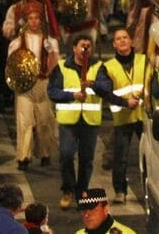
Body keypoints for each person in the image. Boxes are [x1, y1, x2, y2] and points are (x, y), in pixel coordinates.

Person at [48, 35, 102, 209]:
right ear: (74, 48)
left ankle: (82, 191)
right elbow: (53, 91)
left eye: (88, 46)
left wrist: (92, 84)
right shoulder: (62, 67)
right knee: (66, 154)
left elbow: (106, 87)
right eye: (82, 45)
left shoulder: (98, 66)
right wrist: (72, 96)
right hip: (69, 121)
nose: (85, 49)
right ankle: (68, 189)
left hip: (90, 121)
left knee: (87, 159)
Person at [94, 28, 147, 203]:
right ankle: (120, 192)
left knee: (153, 157)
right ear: (114, 44)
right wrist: (125, 103)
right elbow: (103, 91)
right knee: (121, 157)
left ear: (131, 41)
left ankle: (154, 187)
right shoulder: (108, 67)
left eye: (125, 37)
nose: (123, 41)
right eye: (118, 39)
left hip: (144, 117)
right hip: (123, 118)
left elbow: (156, 84)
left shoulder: (145, 61)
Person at [6, 2, 59, 171]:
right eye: (31, 18)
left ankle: (45, 153)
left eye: (37, 18)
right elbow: (11, 64)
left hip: (43, 83)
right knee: (25, 120)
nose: (34, 21)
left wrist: (51, 52)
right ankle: (24, 156)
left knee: (45, 120)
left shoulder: (50, 41)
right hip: (25, 87)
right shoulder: (16, 43)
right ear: (26, 20)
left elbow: (54, 66)